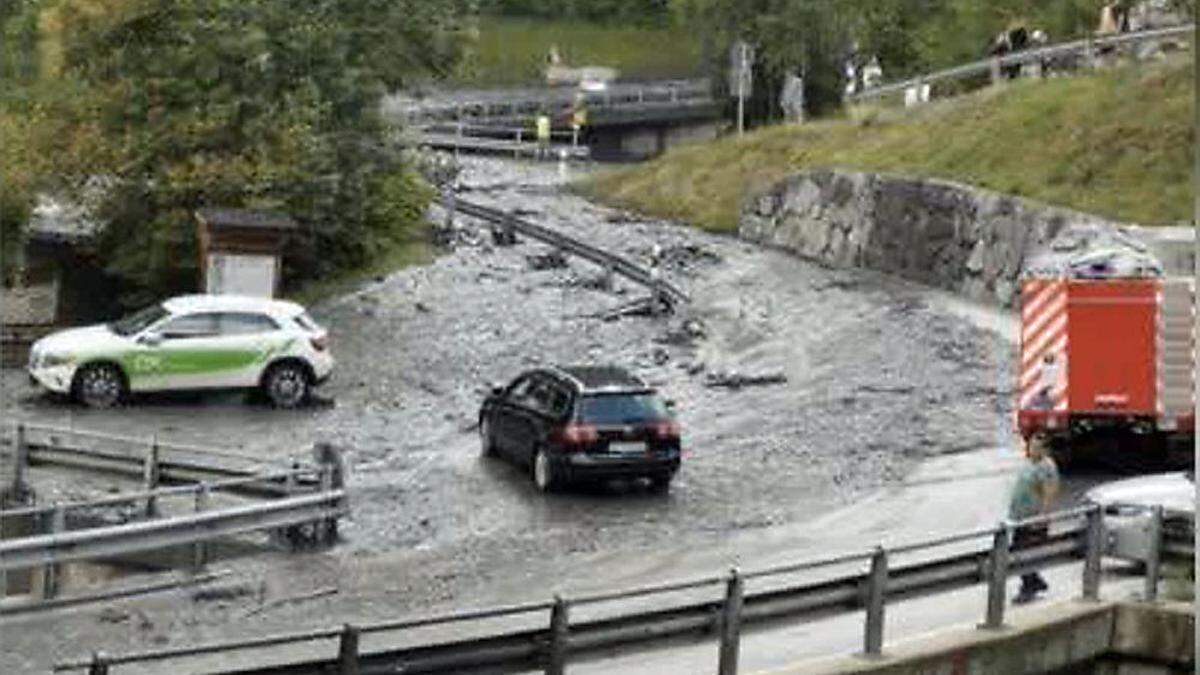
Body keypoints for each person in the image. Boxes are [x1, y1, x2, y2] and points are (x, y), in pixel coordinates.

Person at [1008, 431, 1060, 604]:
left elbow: (1049, 492)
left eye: (1036, 448)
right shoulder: (1028, 463)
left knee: (1024, 554)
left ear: (1045, 450)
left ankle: (1029, 587)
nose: (1032, 450)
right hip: (1020, 517)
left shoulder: (1046, 467)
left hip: (1033, 519)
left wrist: (1042, 516)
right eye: (1030, 446)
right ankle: (1035, 581)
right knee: (1017, 551)